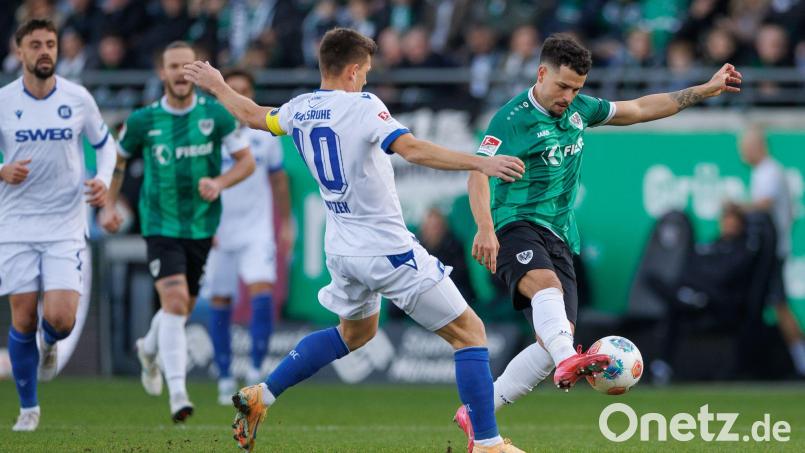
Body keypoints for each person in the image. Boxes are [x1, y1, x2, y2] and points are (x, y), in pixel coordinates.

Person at [184, 27, 527, 453]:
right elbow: (413, 150)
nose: (365, 80)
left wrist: (217, 85)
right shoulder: (363, 107)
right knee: (470, 334)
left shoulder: (299, 108)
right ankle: (489, 443)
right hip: (385, 248)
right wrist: (481, 163)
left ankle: (262, 396)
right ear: (351, 71)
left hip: (343, 250)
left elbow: (253, 115)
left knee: (355, 334)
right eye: (364, 72)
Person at [459, 33, 742, 450]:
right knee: (547, 292)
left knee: (548, 341)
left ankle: (479, 413)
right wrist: (484, 227)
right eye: (562, 86)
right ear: (541, 74)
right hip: (514, 223)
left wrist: (706, 88)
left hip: (559, 235)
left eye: (577, 88)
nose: (569, 96)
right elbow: (477, 172)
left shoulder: (579, 109)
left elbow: (642, 108)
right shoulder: (512, 118)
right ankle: (569, 360)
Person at [98, 41, 255, 423]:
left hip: (201, 226)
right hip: (160, 225)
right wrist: (108, 206)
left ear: (197, 71)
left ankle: (147, 351)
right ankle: (179, 395)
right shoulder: (142, 121)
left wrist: (219, 183)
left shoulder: (216, 116)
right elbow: (117, 161)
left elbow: (246, 162)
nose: (180, 73)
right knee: (174, 300)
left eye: (188, 66)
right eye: (173, 66)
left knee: (179, 308)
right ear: (161, 72)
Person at [0, 18, 116, 432]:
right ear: (20, 52)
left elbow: (107, 146)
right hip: (16, 224)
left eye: (50, 43)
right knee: (23, 317)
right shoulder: (4, 101)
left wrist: (102, 180)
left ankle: (50, 344)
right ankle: (29, 408)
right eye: (36, 44)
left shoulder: (78, 97)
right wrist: (2, 170)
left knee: (61, 319)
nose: (45, 50)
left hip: (66, 223)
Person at [204, 68, 293, 405]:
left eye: (244, 90)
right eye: (232, 89)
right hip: (218, 231)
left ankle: (257, 371)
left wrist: (286, 222)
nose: (237, 96)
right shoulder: (208, 135)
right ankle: (225, 375)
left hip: (256, 229)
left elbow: (279, 182)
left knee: (261, 291)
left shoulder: (264, 137)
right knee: (221, 300)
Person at [739, 124, 805, 376]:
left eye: (745, 148)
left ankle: (800, 362)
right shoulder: (765, 172)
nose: (743, 154)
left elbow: (763, 205)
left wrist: (736, 207)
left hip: (772, 252)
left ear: (757, 147)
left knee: (779, 304)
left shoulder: (769, 172)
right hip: (771, 249)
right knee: (773, 304)